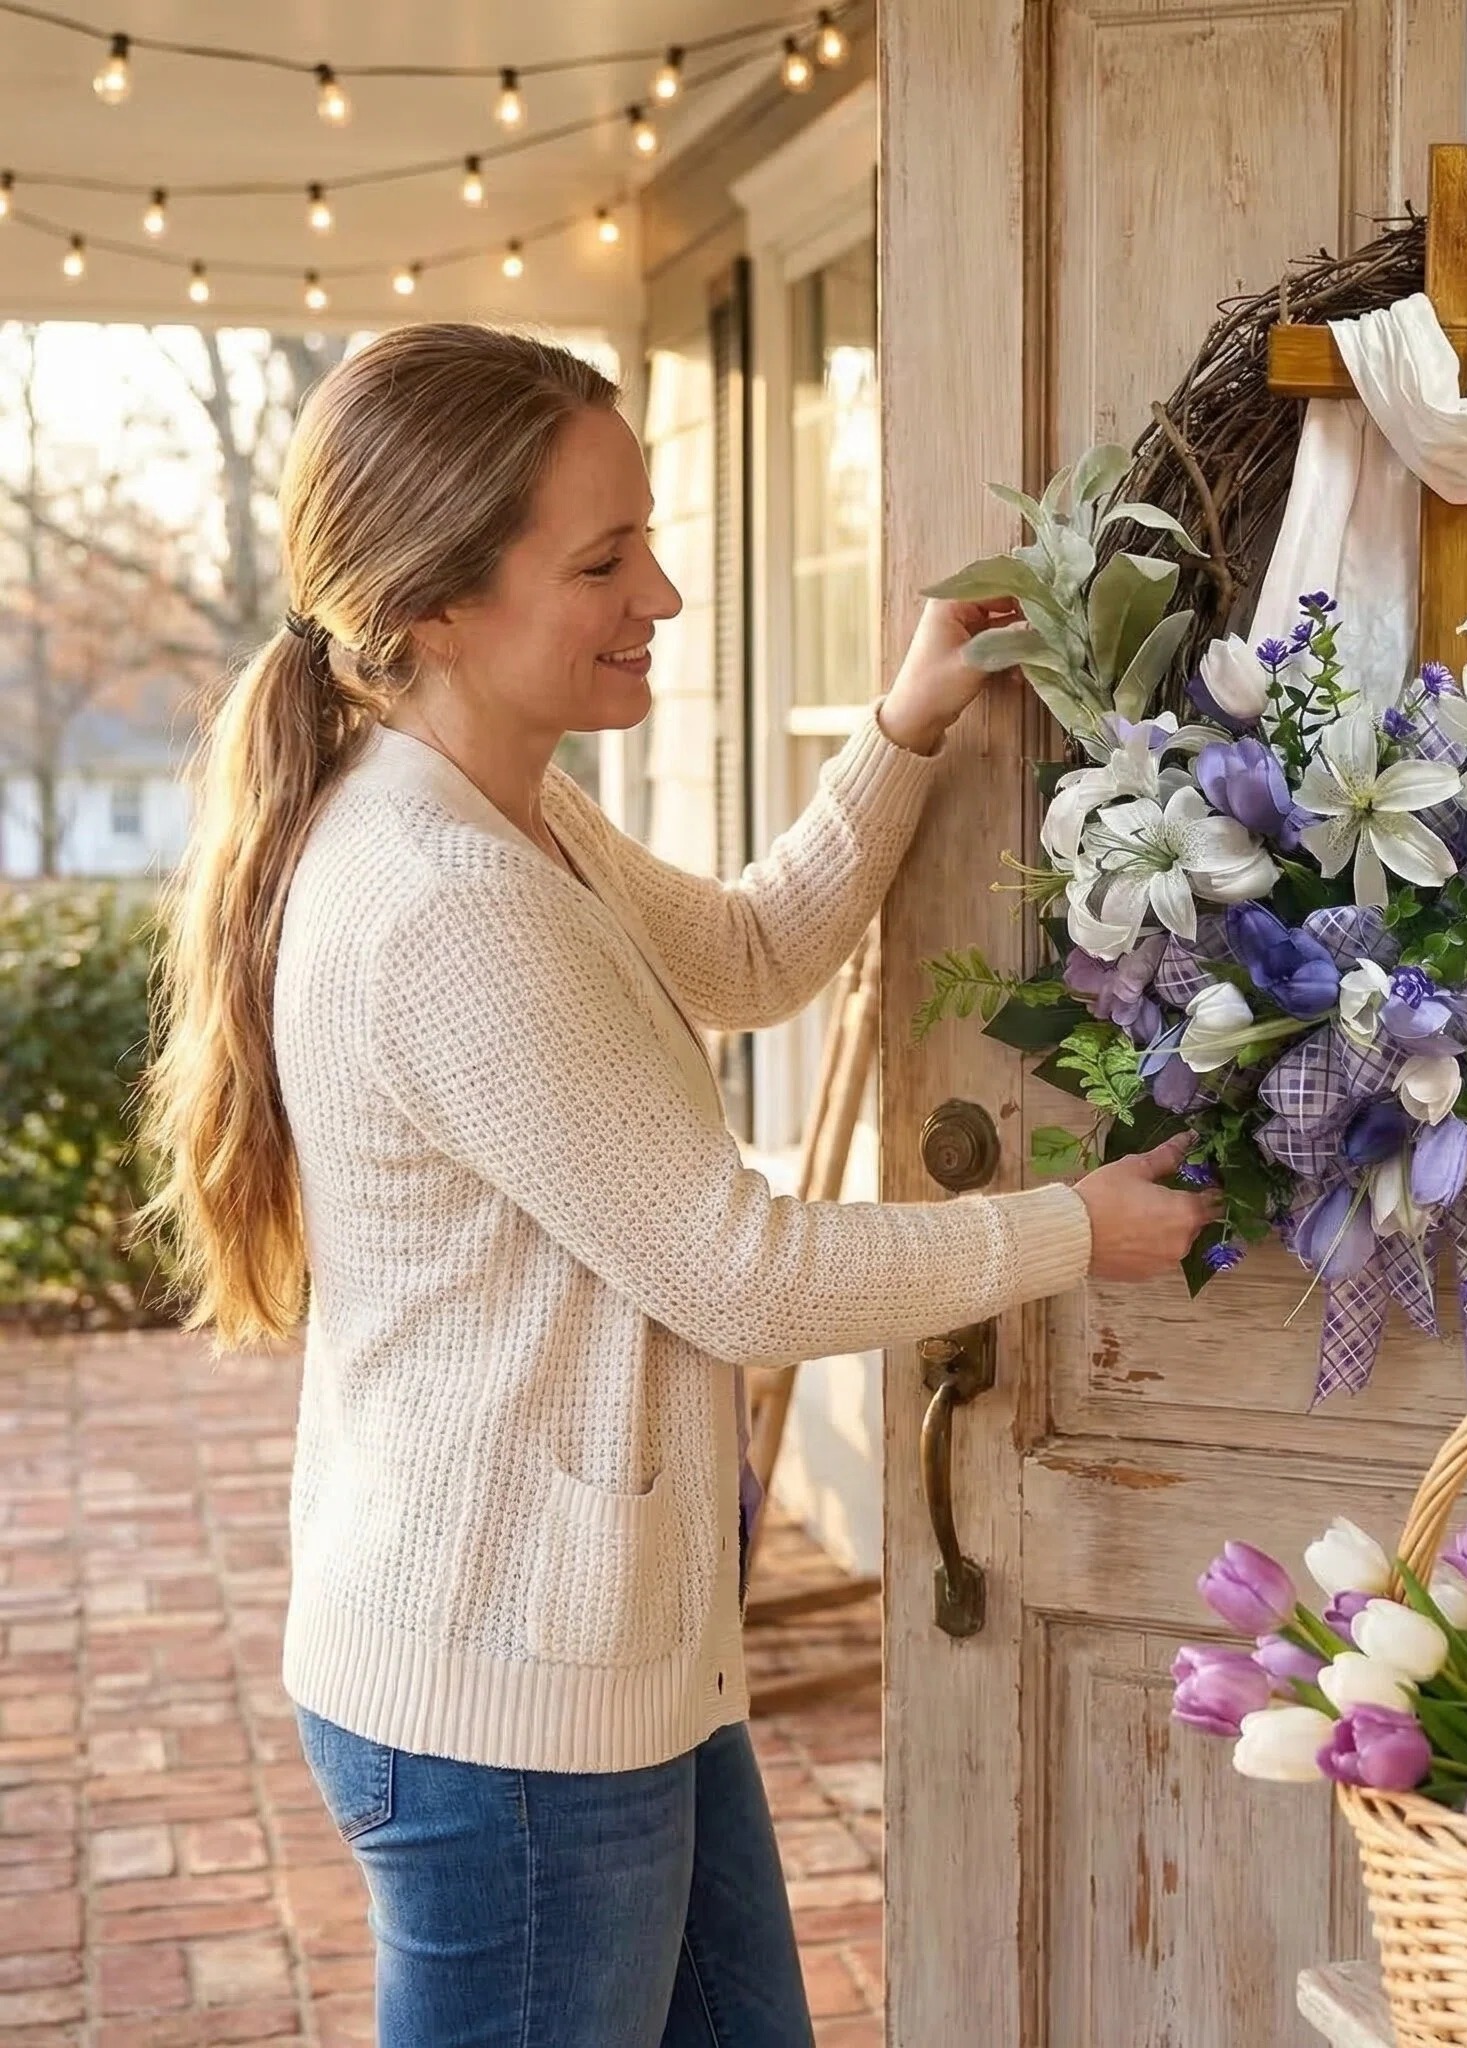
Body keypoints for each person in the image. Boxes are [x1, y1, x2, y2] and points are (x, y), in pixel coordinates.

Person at [140, 323, 1211, 2047]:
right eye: (601, 558)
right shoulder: (442, 900)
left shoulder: (511, 816)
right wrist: (1074, 1231)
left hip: (600, 1658)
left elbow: (745, 948)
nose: (666, 594)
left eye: (648, 536)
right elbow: (743, 1276)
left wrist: (904, 724)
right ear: (434, 608)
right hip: (511, 1712)